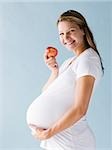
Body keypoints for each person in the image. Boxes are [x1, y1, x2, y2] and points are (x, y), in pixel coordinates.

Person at [31, 10, 104, 150]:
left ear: (83, 30)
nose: (66, 37)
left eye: (71, 31)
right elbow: (46, 93)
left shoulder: (87, 60)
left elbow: (81, 108)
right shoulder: (70, 62)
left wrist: (49, 133)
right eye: (61, 34)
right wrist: (54, 71)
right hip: (62, 138)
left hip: (72, 141)